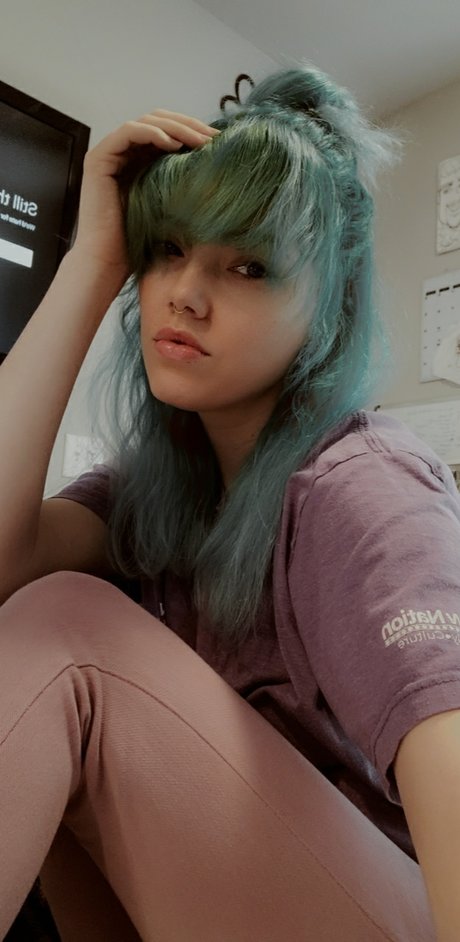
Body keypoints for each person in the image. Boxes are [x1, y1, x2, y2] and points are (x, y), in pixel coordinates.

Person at [0, 60, 459, 942]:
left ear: (328, 309)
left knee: (65, 627)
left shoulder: (358, 485)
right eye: (167, 249)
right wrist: (93, 258)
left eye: (249, 266)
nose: (186, 294)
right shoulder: (163, 485)